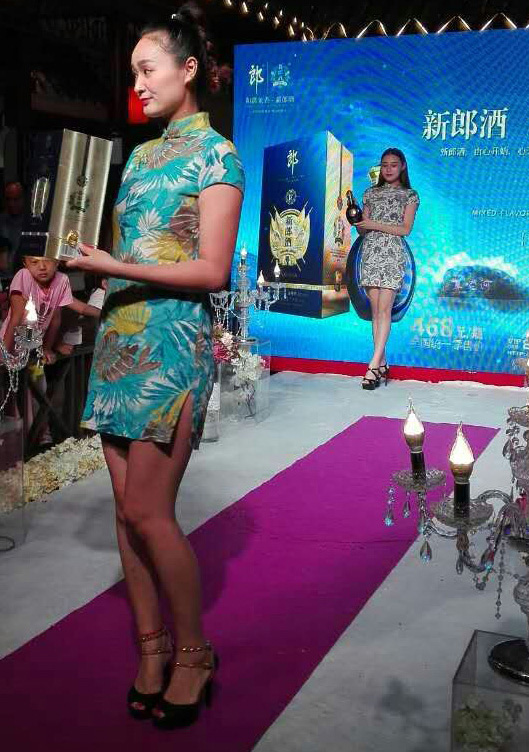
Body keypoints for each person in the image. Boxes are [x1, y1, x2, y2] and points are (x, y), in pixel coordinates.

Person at [66, 2, 244, 730]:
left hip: (171, 348)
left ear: (187, 69)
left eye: (146, 70)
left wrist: (116, 267)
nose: (136, 85)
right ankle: (152, 649)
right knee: (124, 513)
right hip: (118, 339)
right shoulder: (139, 157)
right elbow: (136, 254)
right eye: (133, 73)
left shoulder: (219, 156)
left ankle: (195, 654)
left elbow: (210, 271)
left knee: (148, 510)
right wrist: (92, 279)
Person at [354, 148, 419, 390]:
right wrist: (357, 220)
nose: (389, 169)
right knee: (375, 312)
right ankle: (381, 363)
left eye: (393, 164)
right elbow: (363, 229)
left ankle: (373, 365)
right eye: (384, 165)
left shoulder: (409, 195)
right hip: (370, 252)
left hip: (392, 254)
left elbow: (405, 229)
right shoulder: (370, 193)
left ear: (402, 166)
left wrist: (373, 223)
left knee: (384, 310)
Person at [0, 182, 25, 273]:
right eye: (8, 199)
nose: (11, 204)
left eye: (16, 199)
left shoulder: (32, 224)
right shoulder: (1, 222)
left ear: (23, 198)